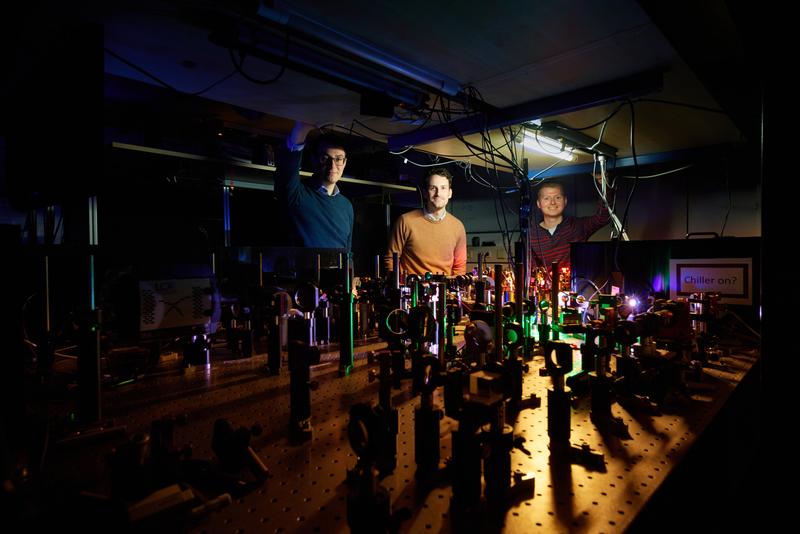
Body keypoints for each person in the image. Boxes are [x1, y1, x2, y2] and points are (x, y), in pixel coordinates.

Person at [275, 121, 354, 250]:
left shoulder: (346, 205)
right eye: (325, 158)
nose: (332, 166)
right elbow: (287, 168)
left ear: (344, 163)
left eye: (338, 159)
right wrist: (302, 127)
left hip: (338, 271)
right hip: (306, 270)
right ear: (314, 159)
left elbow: (348, 252)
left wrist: (350, 270)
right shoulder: (297, 195)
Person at [385, 167, 467, 276]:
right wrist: (397, 287)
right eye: (433, 188)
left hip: (444, 290)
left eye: (443, 188)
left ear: (450, 193)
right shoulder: (405, 222)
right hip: (413, 290)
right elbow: (391, 260)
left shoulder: (458, 227)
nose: (438, 193)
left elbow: (459, 267)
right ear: (425, 193)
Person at [530, 178, 609, 272]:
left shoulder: (578, 226)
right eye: (546, 198)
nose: (552, 202)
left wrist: (602, 182)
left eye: (558, 197)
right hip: (545, 286)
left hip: (577, 285)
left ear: (565, 201)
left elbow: (604, 217)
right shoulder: (531, 235)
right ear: (539, 203)